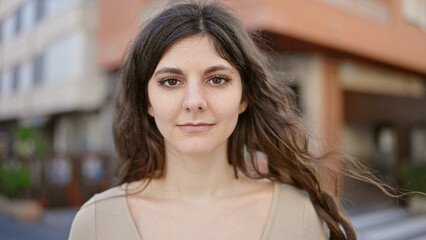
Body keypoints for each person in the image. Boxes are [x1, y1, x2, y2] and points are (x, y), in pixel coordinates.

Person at [69, 1, 357, 239]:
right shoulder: (96, 223)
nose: (195, 101)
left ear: (244, 97)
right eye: (171, 81)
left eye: (217, 79)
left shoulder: (297, 216)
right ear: (148, 101)